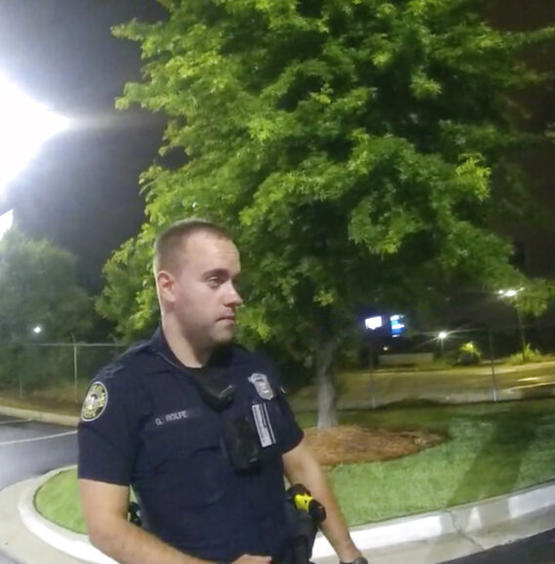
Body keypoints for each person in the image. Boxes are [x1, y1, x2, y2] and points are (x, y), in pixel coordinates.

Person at [77, 219, 366, 564]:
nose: (235, 297)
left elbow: (301, 465)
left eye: (234, 281)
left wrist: (350, 556)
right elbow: (105, 527)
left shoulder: (254, 370)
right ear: (168, 287)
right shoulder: (122, 389)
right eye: (215, 280)